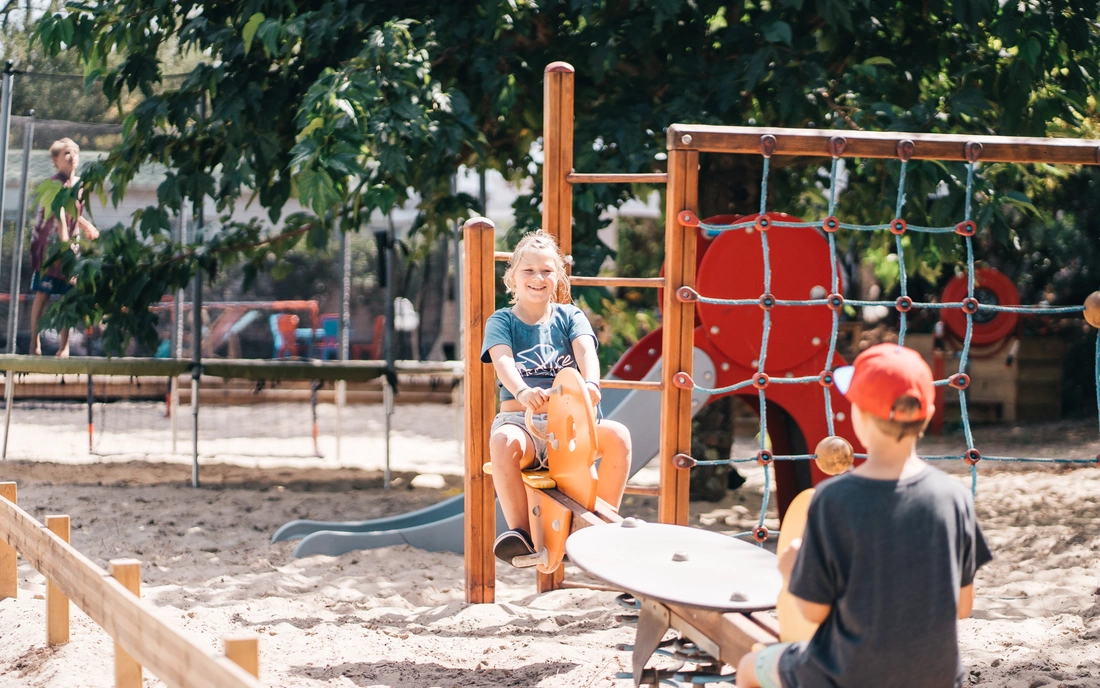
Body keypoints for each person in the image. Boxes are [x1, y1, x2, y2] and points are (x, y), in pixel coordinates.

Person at [737, 343, 992, 688]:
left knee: (751, 666)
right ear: (928, 415)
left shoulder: (833, 500)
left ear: (857, 414)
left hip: (847, 675)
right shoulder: (955, 497)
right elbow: (962, 607)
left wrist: (792, 569)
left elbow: (813, 612)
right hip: (938, 678)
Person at [481, 229, 631, 563]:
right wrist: (522, 390)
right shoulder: (502, 321)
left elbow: (586, 351)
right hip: (523, 422)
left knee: (618, 435)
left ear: (558, 277)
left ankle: (599, 525)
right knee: (503, 441)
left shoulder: (569, 317)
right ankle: (520, 533)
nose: (538, 277)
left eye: (547, 270)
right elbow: (502, 359)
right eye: (529, 270)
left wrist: (591, 384)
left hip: (570, 426)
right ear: (512, 278)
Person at [29, 137, 98, 357]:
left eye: (75, 152)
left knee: (69, 294)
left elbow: (73, 213)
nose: (72, 157)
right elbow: (59, 213)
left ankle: (64, 346)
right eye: (66, 153)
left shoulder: (79, 184)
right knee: (43, 293)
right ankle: (34, 343)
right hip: (50, 244)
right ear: (56, 160)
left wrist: (86, 225)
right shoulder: (55, 183)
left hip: (70, 242)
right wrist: (64, 240)